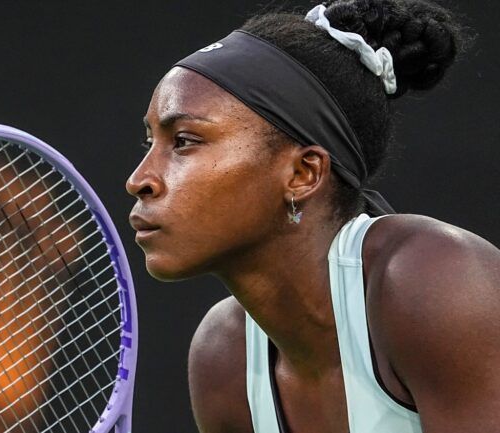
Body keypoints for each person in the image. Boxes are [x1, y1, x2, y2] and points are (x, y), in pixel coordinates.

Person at [125, 1, 500, 432]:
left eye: (185, 141)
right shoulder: (223, 357)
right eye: (149, 142)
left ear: (303, 173)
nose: (140, 180)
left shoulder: (439, 282)